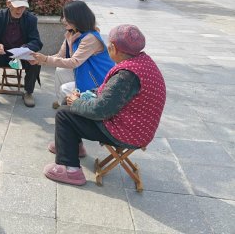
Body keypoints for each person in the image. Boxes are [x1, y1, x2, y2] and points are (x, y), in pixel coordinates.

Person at [43, 24, 166, 186]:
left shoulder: (127, 75)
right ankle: (74, 147)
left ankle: (70, 170)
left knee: (64, 114)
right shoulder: (142, 61)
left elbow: (100, 110)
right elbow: (110, 94)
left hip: (127, 132)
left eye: (109, 45)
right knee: (69, 100)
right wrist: (84, 96)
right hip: (136, 126)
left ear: (114, 47)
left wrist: (77, 102)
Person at [31, 0, 114, 109]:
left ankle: (67, 109)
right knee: (60, 70)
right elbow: (60, 56)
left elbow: (74, 62)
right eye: (63, 17)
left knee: (65, 89)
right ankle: (62, 102)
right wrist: (40, 60)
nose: (63, 20)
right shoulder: (71, 33)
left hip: (98, 79)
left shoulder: (90, 38)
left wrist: (45, 59)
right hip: (85, 71)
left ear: (77, 18)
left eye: (67, 17)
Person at [0, 0, 43, 108]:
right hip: (2, 55)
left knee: (35, 56)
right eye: (17, 6)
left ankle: (28, 92)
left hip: (21, 57)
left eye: (23, 7)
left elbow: (36, 42)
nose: (20, 10)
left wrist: (26, 48)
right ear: (8, 4)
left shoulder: (31, 19)